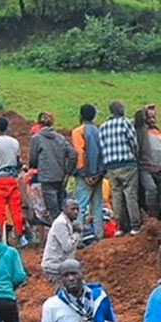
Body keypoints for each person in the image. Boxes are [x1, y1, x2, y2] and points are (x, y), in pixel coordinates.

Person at [101, 101, 142, 235]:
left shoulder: (103, 127)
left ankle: (119, 227)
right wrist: (135, 155)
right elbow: (133, 142)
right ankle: (135, 226)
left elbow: (102, 147)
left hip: (111, 165)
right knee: (130, 194)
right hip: (126, 163)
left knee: (117, 195)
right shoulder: (125, 123)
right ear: (120, 110)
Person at [0, 116, 27, 244]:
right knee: (16, 209)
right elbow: (18, 161)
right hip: (12, 179)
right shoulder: (15, 142)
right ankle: (19, 235)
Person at [29, 113, 76, 221]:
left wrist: (36, 166)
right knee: (63, 208)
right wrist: (68, 172)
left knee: (53, 211)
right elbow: (73, 154)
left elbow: (33, 159)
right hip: (60, 177)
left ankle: (59, 233)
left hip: (46, 178)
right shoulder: (60, 138)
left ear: (39, 124)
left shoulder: (37, 138)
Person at [72, 104, 106, 242]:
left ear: (81, 115)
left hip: (84, 175)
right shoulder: (100, 131)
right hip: (99, 174)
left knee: (80, 206)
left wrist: (84, 173)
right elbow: (103, 153)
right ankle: (99, 234)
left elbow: (80, 153)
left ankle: (78, 237)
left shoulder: (78, 131)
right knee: (97, 205)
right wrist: (99, 174)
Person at [40, 197, 80, 286]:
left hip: (60, 265)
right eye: (72, 209)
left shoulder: (67, 222)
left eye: (77, 209)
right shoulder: (61, 223)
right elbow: (67, 247)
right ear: (64, 209)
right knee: (64, 294)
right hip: (54, 266)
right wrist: (77, 233)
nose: (76, 212)